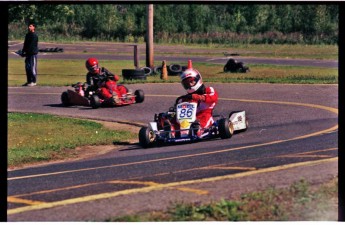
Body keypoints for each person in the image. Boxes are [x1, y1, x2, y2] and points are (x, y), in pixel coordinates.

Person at [22, 22, 38, 87]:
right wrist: (23, 51)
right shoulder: (27, 35)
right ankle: (29, 81)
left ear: (34, 27)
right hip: (28, 54)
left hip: (32, 54)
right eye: (29, 26)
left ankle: (33, 81)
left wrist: (28, 52)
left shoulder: (34, 35)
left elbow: (32, 45)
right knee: (27, 68)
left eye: (30, 26)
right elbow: (25, 44)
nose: (29, 27)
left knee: (32, 68)